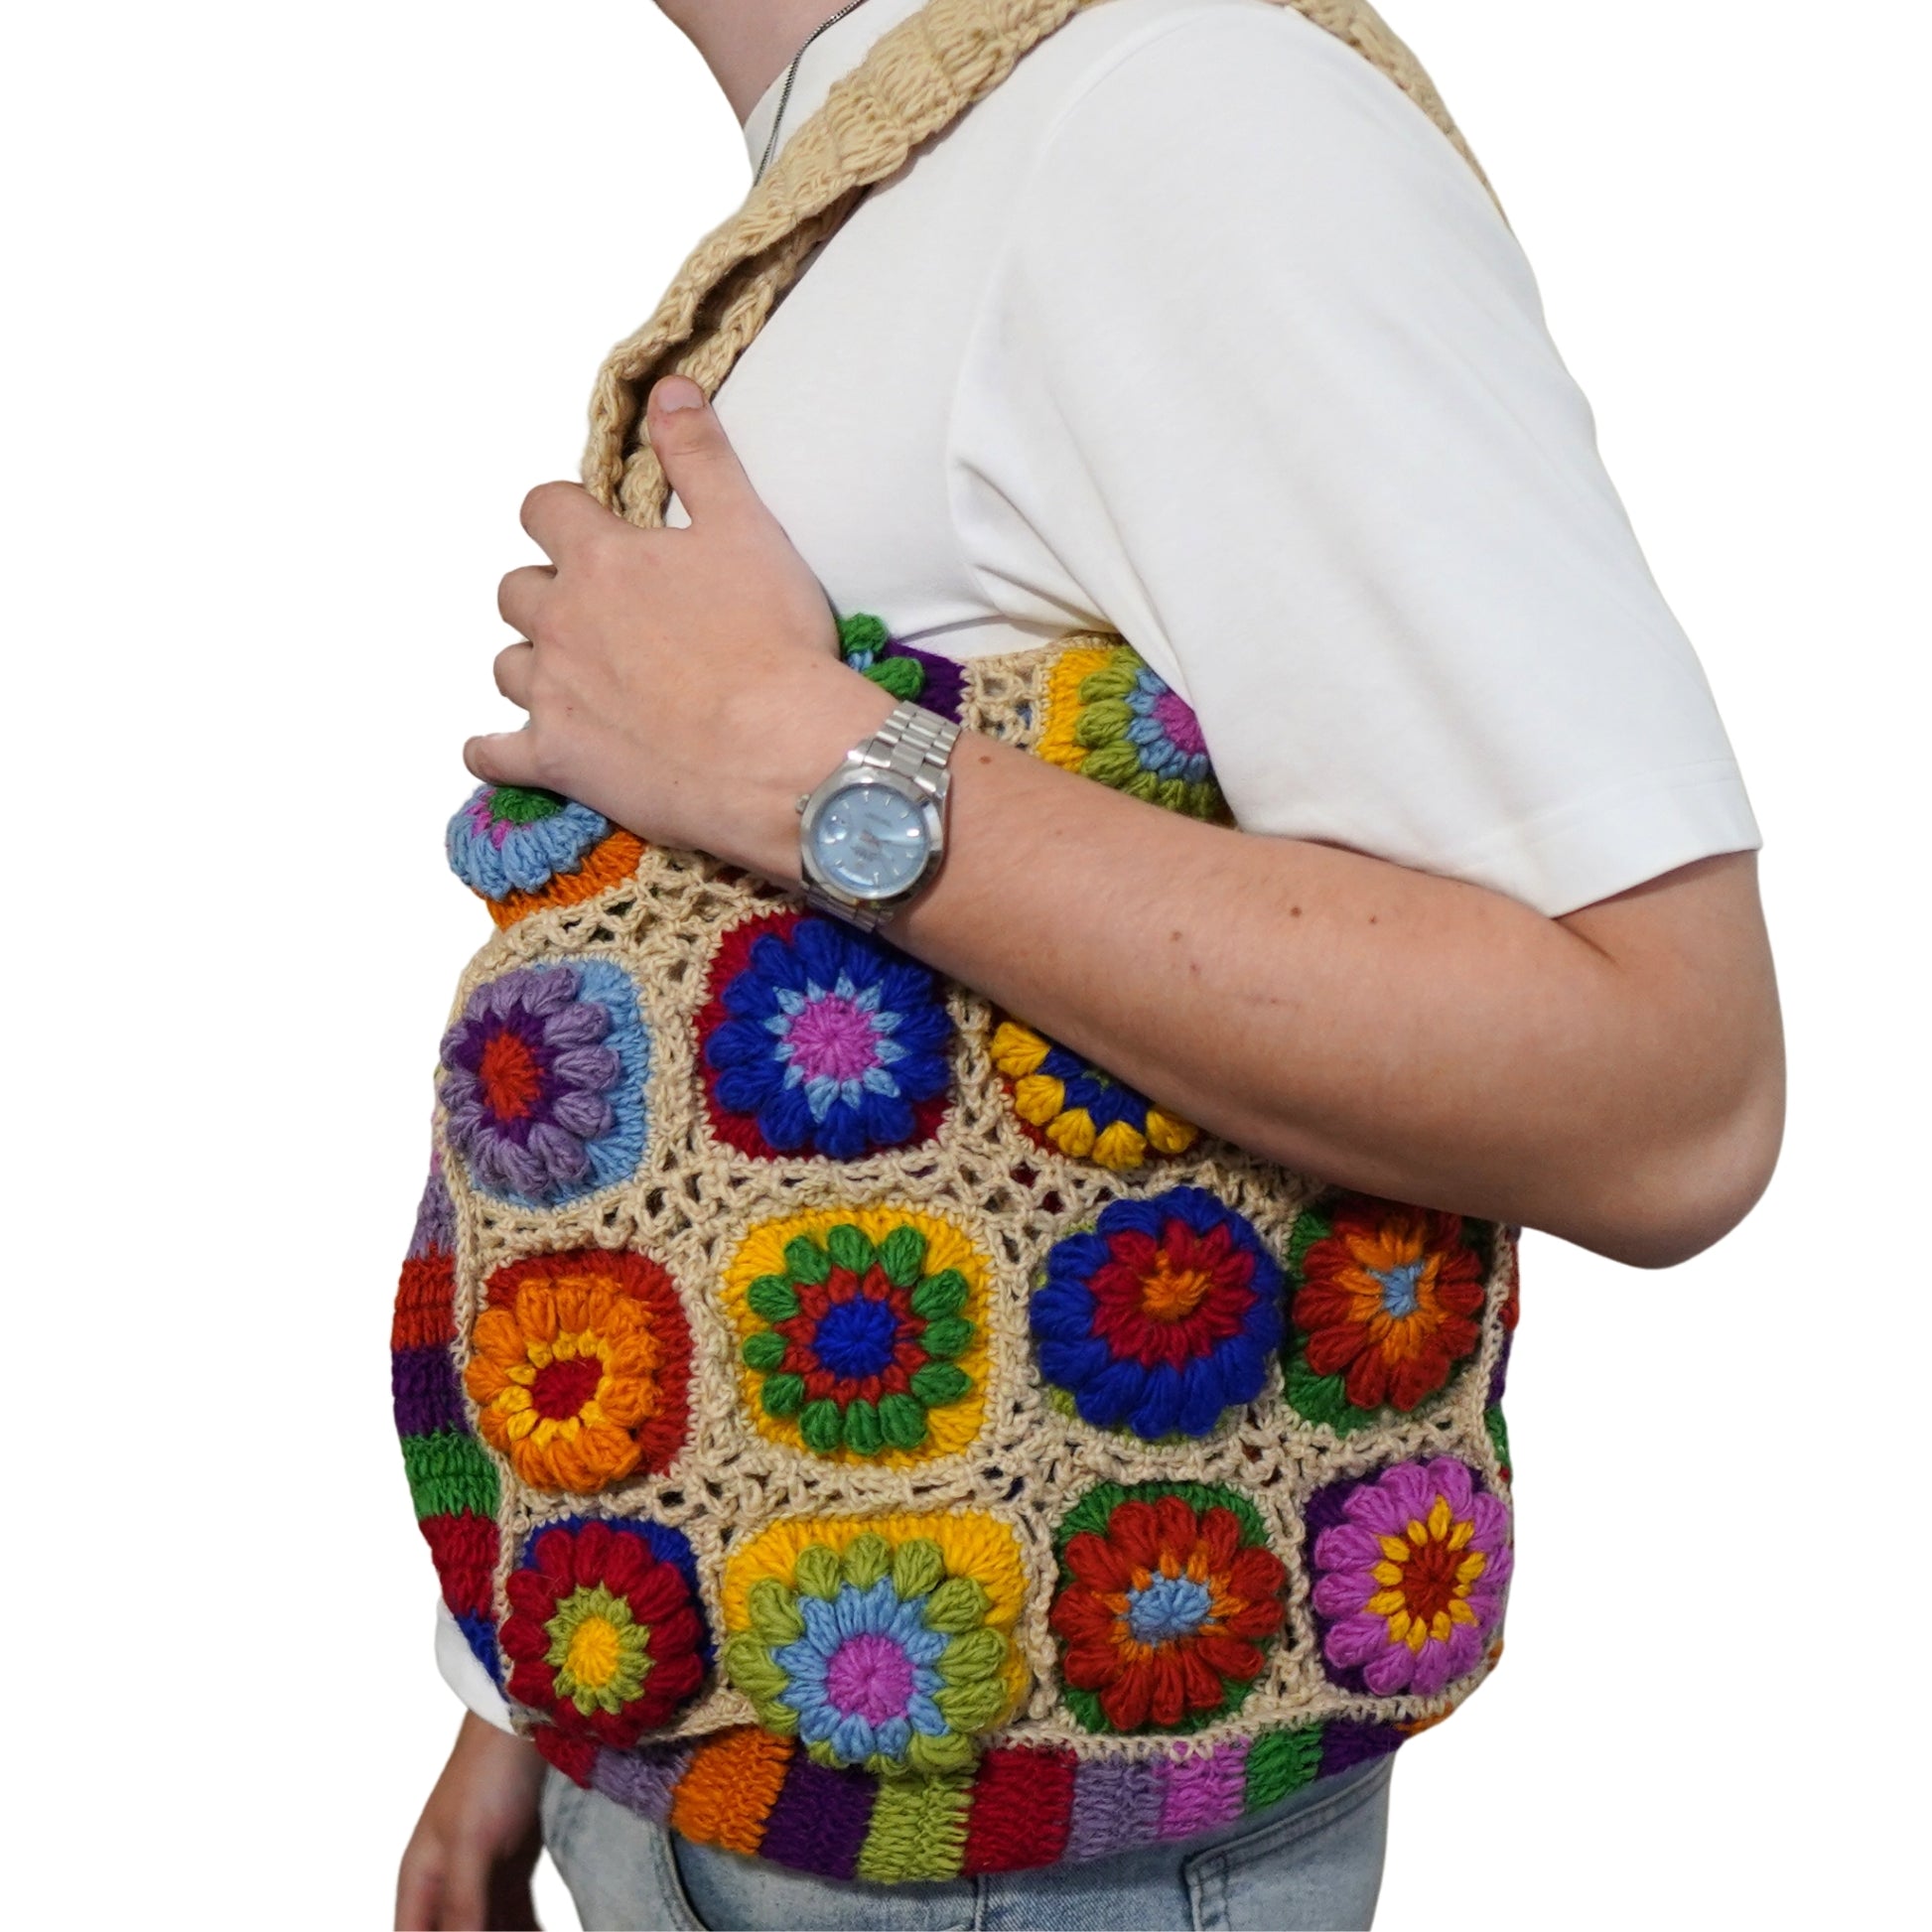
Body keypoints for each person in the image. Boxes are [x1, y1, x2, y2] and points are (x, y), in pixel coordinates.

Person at [394, 2, 1783, 1926]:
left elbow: (1667, 1090)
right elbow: (681, 1038)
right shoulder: (885, 176)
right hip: (673, 1737)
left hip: (1029, 1826)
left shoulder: (1178, 115)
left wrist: (804, 761)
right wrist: (512, 1689)